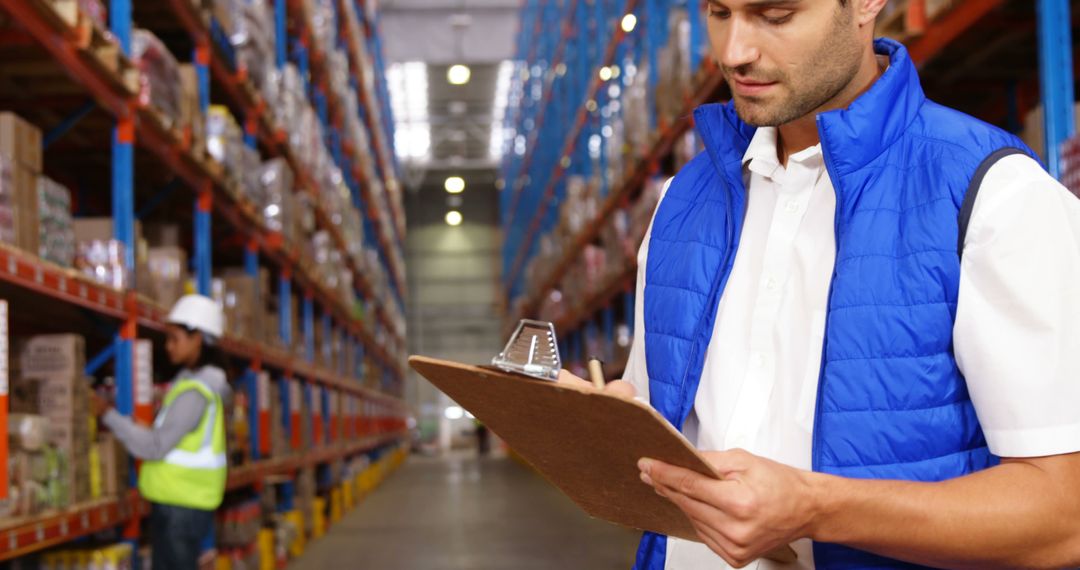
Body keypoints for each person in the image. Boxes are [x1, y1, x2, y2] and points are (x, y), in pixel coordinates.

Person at [560, 0, 1080, 568]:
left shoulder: (995, 196)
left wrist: (817, 509)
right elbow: (667, 428)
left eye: (775, 16)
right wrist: (608, 429)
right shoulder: (681, 204)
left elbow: (1064, 516)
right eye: (719, 13)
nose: (735, 53)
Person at [92, 294, 232, 570]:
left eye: (175, 338)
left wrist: (106, 413)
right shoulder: (201, 385)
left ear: (198, 339)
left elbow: (154, 447)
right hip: (187, 504)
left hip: (180, 508)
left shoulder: (195, 392)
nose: (168, 347)